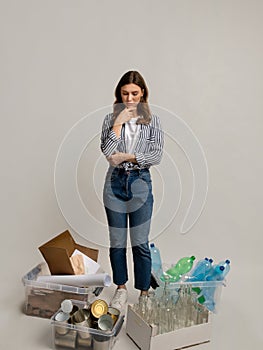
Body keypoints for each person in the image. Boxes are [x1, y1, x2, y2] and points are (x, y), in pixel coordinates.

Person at [100, 70, 164, 311]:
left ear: (143, 93)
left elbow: (156, 155)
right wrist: (118, 123)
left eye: (134, 93)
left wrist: (129, 156)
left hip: (140, 183)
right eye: (125, 93)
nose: (129, 98)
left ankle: (144, 292)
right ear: (119, 93)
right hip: (114, 183)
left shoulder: (153, 121)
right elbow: (107, 152)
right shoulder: (109, 119)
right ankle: (120, 288)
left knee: (140, 242)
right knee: (117, 242)